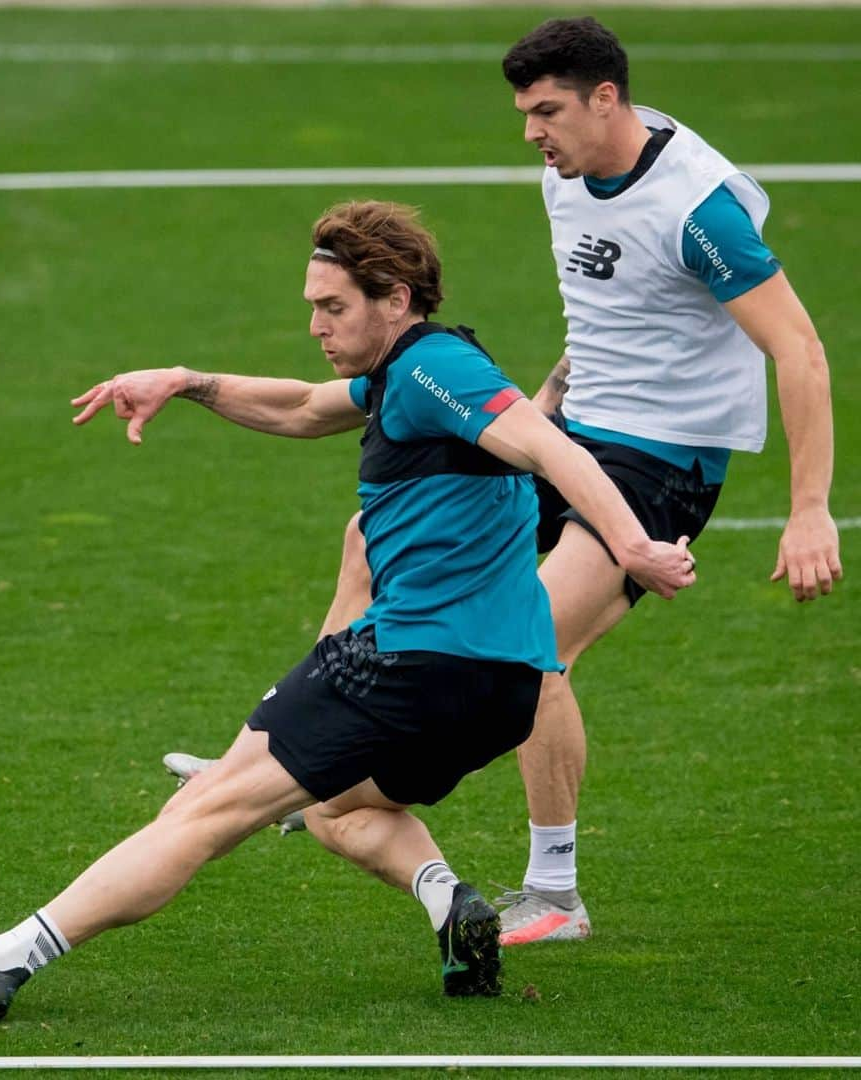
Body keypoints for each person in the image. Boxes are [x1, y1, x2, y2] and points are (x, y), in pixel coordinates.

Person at [0, 201, 694, 1020]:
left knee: (205, 813)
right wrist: (184, 382)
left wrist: (632, 546)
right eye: (312, 308)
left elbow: (550, 447)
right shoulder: (403, 379)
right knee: (335, 810)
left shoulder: (439, 372)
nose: (316, 326)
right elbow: (300, 407)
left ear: (396, 299)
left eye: (333, 308)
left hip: (409, 665)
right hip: (500, 692)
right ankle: (448, 905)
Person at [164, 17, 842, 946]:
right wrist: (543, 402)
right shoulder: (569, 174)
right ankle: (285, 760)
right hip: (575, 424)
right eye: (526, 112)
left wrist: (810, 510)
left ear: (607, 98)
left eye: (549, 110)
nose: (533, 131)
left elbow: (798, 348)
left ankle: (555, 891)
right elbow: (614, 309)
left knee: (532, 646)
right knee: (369, 542)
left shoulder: (699, 209)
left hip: (662, 460)